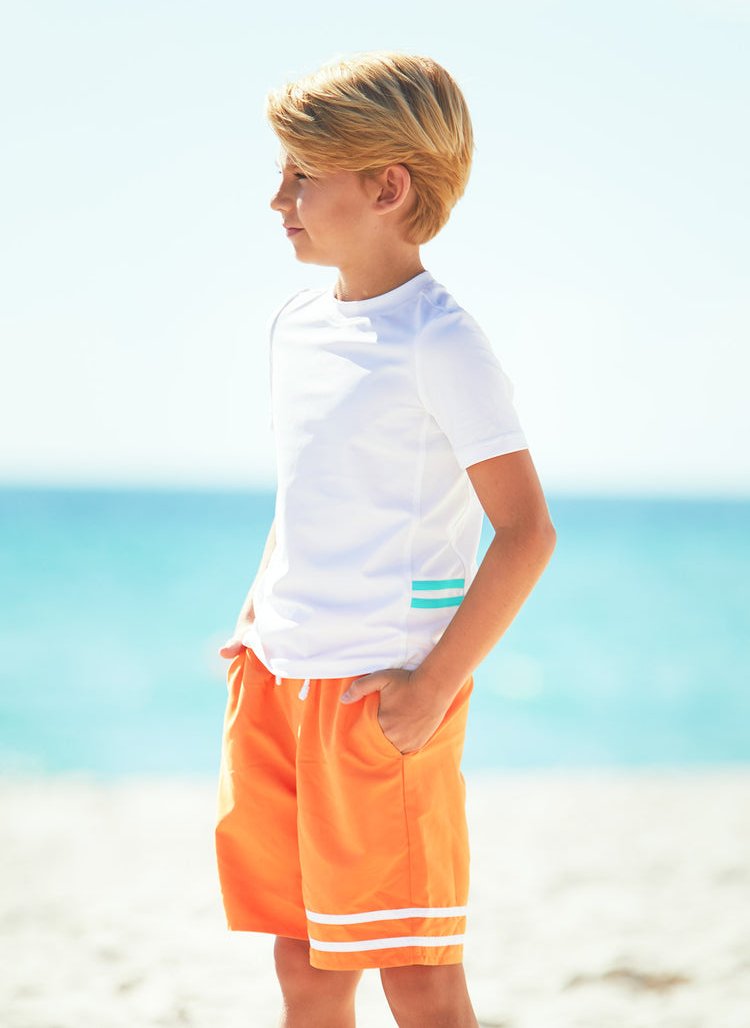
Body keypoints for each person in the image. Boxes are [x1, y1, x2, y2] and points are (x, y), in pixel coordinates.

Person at [215, 51, 556, 1028]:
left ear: (386, 186)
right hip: (276, 685)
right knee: (306, 963)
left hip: (380, 699)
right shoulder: (294, 324)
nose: (277, 197)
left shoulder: (440, 339)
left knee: (415, 972)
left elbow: (526, 532)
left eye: (299, 175)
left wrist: (435, 685)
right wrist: (252, 620)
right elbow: (309, 492)